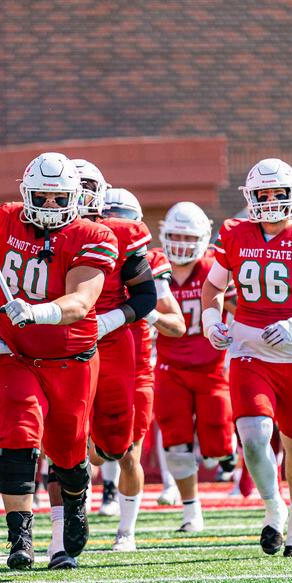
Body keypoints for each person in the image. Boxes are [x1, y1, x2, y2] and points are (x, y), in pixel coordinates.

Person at [0, 152, 117, 571]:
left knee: (68, 451)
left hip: (71, 359)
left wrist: (37, 311)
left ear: (76, 198)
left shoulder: (93, 235)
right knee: (16, 437)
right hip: (18, 355)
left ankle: (74, 502)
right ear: (26, 193)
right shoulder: (8, 220)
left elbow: (81, 302)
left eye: (59, 198)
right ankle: (20, 538)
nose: (50, 205)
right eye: (42, 196)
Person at [202, 158, 292, 557]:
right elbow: (213, 288)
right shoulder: (235, 233)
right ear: (250, 196)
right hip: (250, 350)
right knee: (252, 438)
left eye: (276, 193)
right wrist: (211, 321)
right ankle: (273, 507)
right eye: (261, 194)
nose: (268, 201)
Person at [72, 161, 157, 539]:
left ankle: (126, 531)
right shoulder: (41, 235)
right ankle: (70, 523)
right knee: (71, 441)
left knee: (123, 449)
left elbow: (152, 300)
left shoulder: (129, 242)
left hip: (124, 351)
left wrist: (109, 321)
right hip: (66, 345)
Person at [103, 187, 185, 551]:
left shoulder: (147, 261)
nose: (115, 226)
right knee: (90, 452)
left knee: (129, 452)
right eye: (109, 217)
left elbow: (177, 325)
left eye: (123, 219)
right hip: (89, 362)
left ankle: (126, 530)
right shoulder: (85, 250)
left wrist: (146, 311)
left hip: (135, 368)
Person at [154, 201, 236, 534]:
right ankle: (191, 511)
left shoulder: (213, 268)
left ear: (203, 238)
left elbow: (240, 305)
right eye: (175, 236)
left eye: (188, 237)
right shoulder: (155, 266)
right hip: (169, 366)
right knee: (175, 441)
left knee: (217, 443)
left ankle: (225, 455)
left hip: (210, 367)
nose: (181, 244)